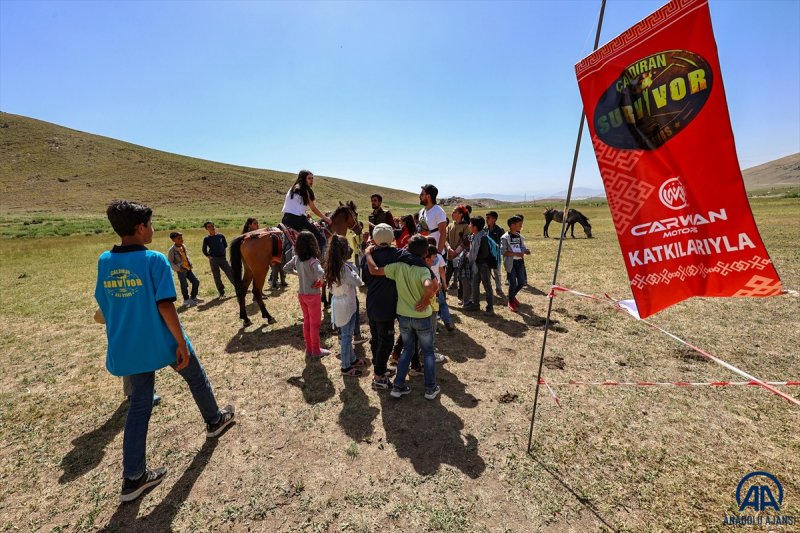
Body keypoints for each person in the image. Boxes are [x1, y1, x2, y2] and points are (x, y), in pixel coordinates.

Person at [95, 200, 235, 503]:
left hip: (130, 347)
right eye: (150, 224)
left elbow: (105, 304)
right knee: (195, 377)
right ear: (140, 227)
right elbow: (165, 305)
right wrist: (181, 343)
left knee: (139, 406)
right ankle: (214, 420)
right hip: (163, 341)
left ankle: (134, 478)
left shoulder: (105, 261)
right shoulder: (154, 259)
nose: (153, 229)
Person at [365, 234, 440, 400]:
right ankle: (430, 388)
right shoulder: (423, 269)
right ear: (425, 252)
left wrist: (368, 253)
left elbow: (374, 270)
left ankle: (398, 386)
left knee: (407, 349)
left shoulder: (398, 266)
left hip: (404, 315)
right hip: (422, 316)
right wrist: (426, 299)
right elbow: (432, 286)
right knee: (427, 352)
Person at [324, 235, 367, 376]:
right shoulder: (345, 268)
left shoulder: (330, 265)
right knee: (347, 336)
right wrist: (354, 269)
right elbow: (359, 282)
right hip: (347, 304)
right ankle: (345, 366)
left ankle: (352, 359)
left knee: (345, 334)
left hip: (338, 302)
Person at [283, 231, 328, 357]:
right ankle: (316, 350)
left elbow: (286, 268)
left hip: (301, 295)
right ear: (313, 244)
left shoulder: (296, 258)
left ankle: (309, 349)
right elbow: (321, 273)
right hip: (313, 295)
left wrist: (299, 274)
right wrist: (321, 282)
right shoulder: (314, 260)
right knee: (315, 324)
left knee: (307, 322)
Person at [280, 170, 331, 253]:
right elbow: (313, 209)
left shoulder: (292, 188)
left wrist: (304, 214)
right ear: (303, 179)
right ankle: (320, 263)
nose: (311, 181)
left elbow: (294, 206)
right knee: (321, 240)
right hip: (297, 221)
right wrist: (326, 218)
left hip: (286, 219)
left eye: (312, 178)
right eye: (309, 178)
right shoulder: (304, 190)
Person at [465, 215, 495, 314]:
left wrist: (472, 256)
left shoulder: (482, 237)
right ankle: (475, 304)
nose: (469, 226)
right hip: (477, 265)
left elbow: (485, 253)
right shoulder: (475, 236)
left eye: (470, 224)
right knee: (474, 284)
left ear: (475, 227)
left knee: (487, 286)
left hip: (483, 265)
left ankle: (490, 308)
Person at [501, 215, 531, 312]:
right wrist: (515, 253)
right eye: (519, 224)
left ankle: (512, 296)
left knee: (522, 282)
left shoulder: (519, 236)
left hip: (519, 262)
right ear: (512, 225)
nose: (521, 225)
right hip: (511, 263)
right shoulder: (505, 237)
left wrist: (525, 250)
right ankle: (511, 301)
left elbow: (521, 247)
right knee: (513, 283)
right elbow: (503, 251)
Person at [167, 231, 202, 307]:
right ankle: (186, 300)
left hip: (188, 268)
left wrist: (190, 264)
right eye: (178, 238)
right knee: (184, 285)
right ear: (173, 240)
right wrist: (178, 269)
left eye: (181, 238)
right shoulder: (172, 250)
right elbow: (170, 262)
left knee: (196, 281)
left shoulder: (183, 246)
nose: (181, 239)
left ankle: (193, 297)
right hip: (181, 270)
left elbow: (185, 257)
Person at [426, 237, 454, 332]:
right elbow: (442, 272)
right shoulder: (439, 256)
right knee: (442, 304)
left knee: (431, 307)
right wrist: (445, 284)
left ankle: (435, 325)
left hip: (426, 286)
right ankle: (448, 322)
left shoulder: (423, 258)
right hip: (437, 285)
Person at [202, 220, 235, 298]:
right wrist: (208, 256)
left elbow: (225, 245)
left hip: (222, 258)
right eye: (209, 227)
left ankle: (238, 288)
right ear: (206, 229)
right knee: (217, 276)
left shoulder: (221, 236)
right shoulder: (206, 239)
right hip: (213, 260)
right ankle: (221, 292)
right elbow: (204, 249)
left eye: (212, 225)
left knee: (230, 273)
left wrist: (222, 253)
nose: (211, 228)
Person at [417, 184, 448, 256]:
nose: (419, 196)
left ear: (428, 196)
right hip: (424, 252)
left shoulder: (438, 211)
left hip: (435, 253)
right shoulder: (422, 211)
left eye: (422, 194)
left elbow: (443, 234)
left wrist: (439, 253)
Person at [445, 205, 470, 289]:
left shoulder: (466, 226)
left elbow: (466, 241)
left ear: (461, 214)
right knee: (446, 276)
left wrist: (456, 252)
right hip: (450, 256)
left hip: (460, 257)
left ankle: (461, 297)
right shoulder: (449, 226)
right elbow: (445, 239)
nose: (452, 213)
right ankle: (442, 295)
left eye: (455, 212)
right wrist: (449, 249)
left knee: (460, 277)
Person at [485, 211, 505, 296]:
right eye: (486, 218)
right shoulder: (484, 229)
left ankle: (498, 288)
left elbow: (503, 242)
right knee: (487, 273)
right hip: (486, 255)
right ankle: (488, 289)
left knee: (497, 272)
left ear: (494, 219)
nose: (487, 219)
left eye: (489, 218)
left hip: (496, 256)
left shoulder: (499, 230)